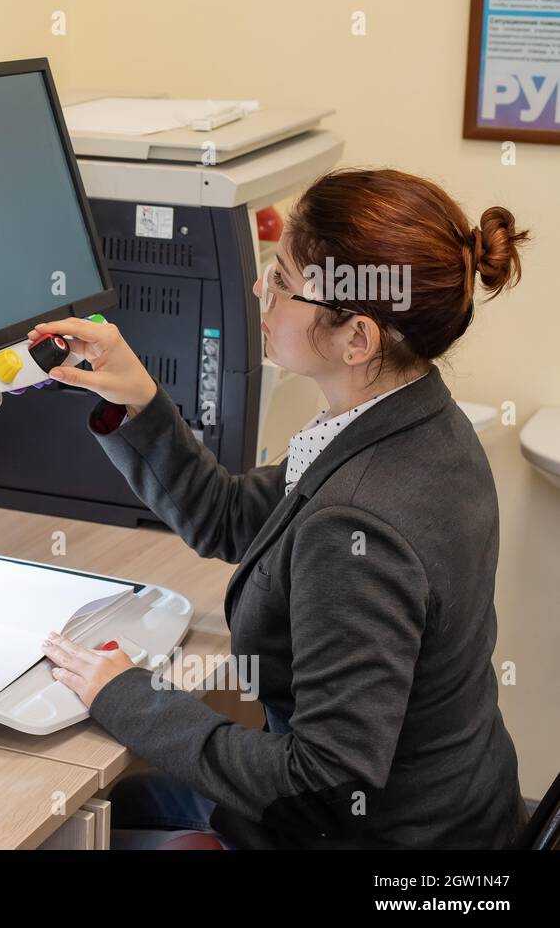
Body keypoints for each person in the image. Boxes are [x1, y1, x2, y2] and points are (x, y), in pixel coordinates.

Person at [36, 168, 529, 848]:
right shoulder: (422, 421)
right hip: (460, 810)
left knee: (83, 819)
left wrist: (128, 694)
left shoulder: (357, 525)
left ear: (356, 338)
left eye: (280, 279)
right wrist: (138, 400)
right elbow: (232, 517)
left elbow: (325, 783)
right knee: (117, 803)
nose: (258, 292)